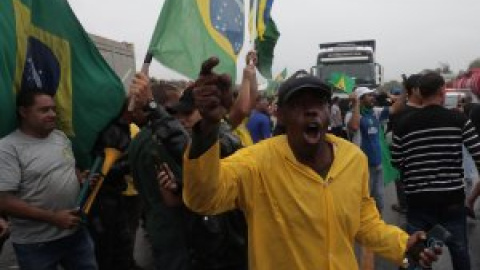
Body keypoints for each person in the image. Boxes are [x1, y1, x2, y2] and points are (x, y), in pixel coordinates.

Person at [182, 58, 439, 270]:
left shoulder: (353, 158)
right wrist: (207, 129)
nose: (311, 111)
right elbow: (203, 198)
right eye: (298, 105)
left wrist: (403, 245)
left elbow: (364, 222)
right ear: (279, 115)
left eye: (318, 103)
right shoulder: (256, 162)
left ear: (328, 112)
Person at [0, 90, 97, 270]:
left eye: (53, 109)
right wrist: (53, 218)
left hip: (75, 233)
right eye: (44, 110)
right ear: (23, 112)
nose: (52, 114)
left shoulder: (60, 137)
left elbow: (69, 166)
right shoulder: (7, 148)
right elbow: (4, 201)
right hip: (36, 244)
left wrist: (81, 179)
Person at [391, 72, 479, 270]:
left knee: (419, 253)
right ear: (443, 91)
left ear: (420, 93)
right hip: (452, 200)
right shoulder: (459, 120)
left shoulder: (403, 124)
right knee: (459, 250)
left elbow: (396, 161)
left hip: (419, 202)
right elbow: (478, 154)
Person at [345, 87, 404, 213]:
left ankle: (378, 228)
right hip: (363, 167)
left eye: (373, 95)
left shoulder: (374, 112)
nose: (373, 98)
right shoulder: (352, 115)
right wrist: (356, 104)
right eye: (369, 95)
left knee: (380, 202)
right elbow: (354, 126)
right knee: (365, 202)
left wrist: (406, 90)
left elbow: (394, 109)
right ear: (361, 99)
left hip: (378, 165)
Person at [389, 74, 423, 214]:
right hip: (410, 171)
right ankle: (405, 205)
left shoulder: (432, 110)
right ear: (414, 90)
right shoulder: (401, 113)